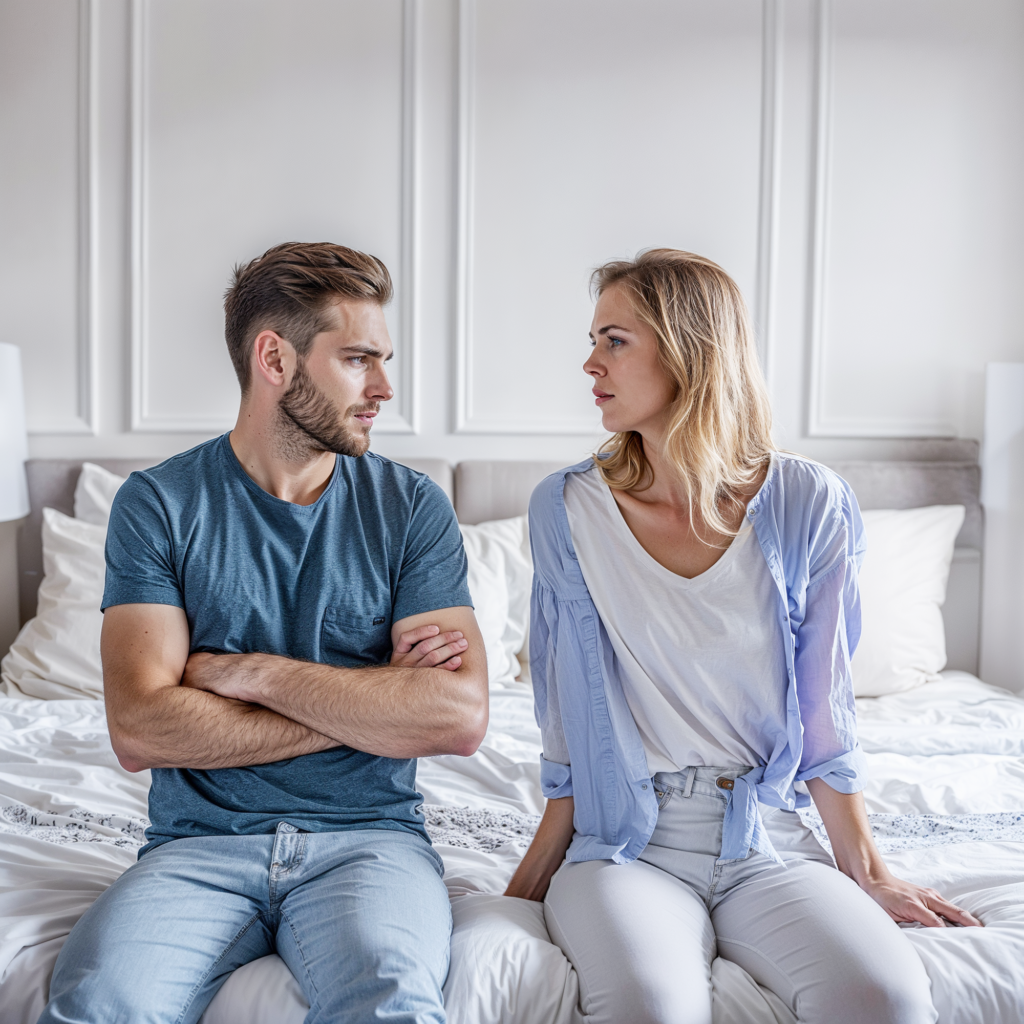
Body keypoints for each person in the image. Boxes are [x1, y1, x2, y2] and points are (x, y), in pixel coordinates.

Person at [504, 249, 982, 1024]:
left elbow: (827, 717)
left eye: (614, 340)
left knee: (887, 998)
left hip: (769, 839)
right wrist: (524, 886)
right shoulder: (566, 509)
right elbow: (566, 727)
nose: (590, 363)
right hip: (630, 846)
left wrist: (868, 872)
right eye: (593, 340)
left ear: (688, 347)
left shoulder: (808, 503)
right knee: (651, 1007)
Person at [39, 242, 488, 1024]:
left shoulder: (412, 509)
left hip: (371, 846)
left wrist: (256, 675)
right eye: (357, 360)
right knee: (98, 1003)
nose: (385, 388)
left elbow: (456, 717)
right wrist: (371, 702)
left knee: (395, 1007)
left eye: (383, 360)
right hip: (196, 848)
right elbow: (140, 729)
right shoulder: (159, 504)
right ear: (275, 358)